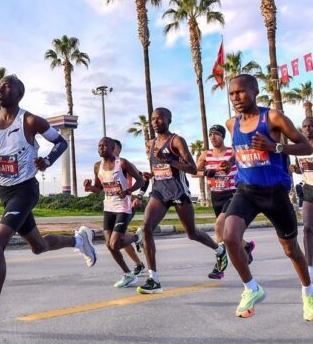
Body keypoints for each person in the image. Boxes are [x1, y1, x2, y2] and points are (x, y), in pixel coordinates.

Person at [0, 75, 96, 343]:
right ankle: (79, 240)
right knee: (38, 246)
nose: (0, 89)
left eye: (7, 85)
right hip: (5, 192)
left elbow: (61, 143)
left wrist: (48, 160)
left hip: (25, 189)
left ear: (19, 93)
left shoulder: (30, 121)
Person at [223, 74, 313, 321]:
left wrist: (275, 147)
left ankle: (308, 291)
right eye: (232, 93)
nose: (236, 97)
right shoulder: (231, 124)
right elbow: (243, 152)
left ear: (255, 91)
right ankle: (251, 289)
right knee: (229, 236)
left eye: (241, 92)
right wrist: (230, 163)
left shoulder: (273, 117)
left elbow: (306, 147)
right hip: (246, 191)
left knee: (291, 249)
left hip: (275, 193)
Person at [136, 108, 226, 294]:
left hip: (178, 192)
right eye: (153, 119)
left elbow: (192, 169)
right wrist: (150, 174)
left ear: (169, 120)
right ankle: (154, 279)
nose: (155, 122)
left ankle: (219, 250)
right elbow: (158, 167)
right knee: (146, 228)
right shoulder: (150, 143)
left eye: (160, 119)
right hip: (159, 191)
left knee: (192, 233)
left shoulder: (176, 140)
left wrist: (169, 159)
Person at [194, 124, 255, 279]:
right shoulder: (205, 154)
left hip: (233, 193)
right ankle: (246, 245)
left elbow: (246, 164)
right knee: (226, 231)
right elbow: (194, 172)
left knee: (219, 224)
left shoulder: (232, 152)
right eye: (210, 135)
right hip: (216, 195)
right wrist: (207, 172)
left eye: (216, 134)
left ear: (223, 136)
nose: (213, 137)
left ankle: (219, 267)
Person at [84, 137, 145, 288]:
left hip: (123, 207)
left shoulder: (122, 163)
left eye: (105, 145)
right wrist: (90, 187)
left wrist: (128, 191)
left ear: (113, 148)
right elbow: (99, 189)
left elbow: (141, 181)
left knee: (115, 244)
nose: (101, 148)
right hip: (108, 207)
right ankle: (128, 274)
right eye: (99, 146)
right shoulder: (97, 166)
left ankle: (137, 237)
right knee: (109, 245)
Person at [290, 117, 313, 289]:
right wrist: (295, 170)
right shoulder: (300, 149)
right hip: (310, 191)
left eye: (311, 125)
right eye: (305, 125)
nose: (308, 128)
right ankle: (310, 269)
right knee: (307, 228)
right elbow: (301, 169)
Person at [113, 139, 146, 276]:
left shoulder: (124, 164)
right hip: (111, 207)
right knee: (121, 236)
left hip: (126, 206)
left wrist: (139, 196)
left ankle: (139, 261)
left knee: (119, 237)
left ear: (118, 150)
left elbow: (144, 179)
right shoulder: (104, 166)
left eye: (111, 147)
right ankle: (138, 261)